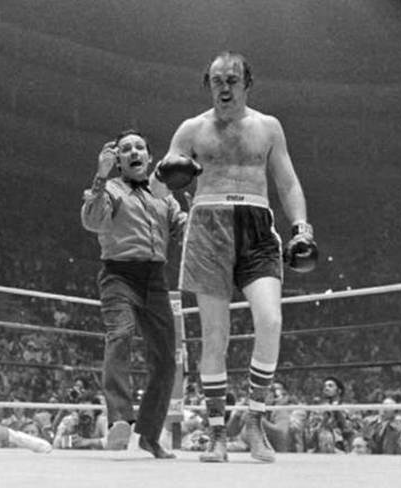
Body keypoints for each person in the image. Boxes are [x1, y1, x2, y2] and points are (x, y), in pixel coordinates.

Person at [160, 51, 316, 463]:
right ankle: (215, 434)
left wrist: (302, 227)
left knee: (271, 319)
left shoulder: (268, 128)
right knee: (215, 335)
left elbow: (287, 183)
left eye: (232, 79)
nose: (224, 87)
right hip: (207, 224)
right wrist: (167, 174)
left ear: (247, 83)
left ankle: (253, 420)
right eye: (216, 80)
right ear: (208, 84)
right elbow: (161, 189)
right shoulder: (191, 130)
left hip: (257, 225)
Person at [80, 129, 188, 459]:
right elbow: (92, 221)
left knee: (166, 360)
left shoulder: (164, 195)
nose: (133, 151)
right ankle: (118, 418)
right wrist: (100, 176)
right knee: (121, 334)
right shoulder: (110, 188)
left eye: (139, 147)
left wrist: (198, 217)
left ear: (150, 158)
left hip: (155, 279)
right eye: (125, 149)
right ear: (118, 160)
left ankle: (149, 435)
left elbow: (183, 230)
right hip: (118, 275)